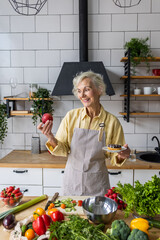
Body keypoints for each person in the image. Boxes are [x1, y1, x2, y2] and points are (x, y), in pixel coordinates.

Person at [37, 71, 130, 196]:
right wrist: (50, 137)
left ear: (99, 90)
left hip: (97, 185)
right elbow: (62, 150)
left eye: (87, 89)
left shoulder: (112, 122)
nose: (82, 95)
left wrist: (122, 155)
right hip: (72, 182)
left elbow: (114, 156)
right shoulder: (71, 117)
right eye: (79, 91)